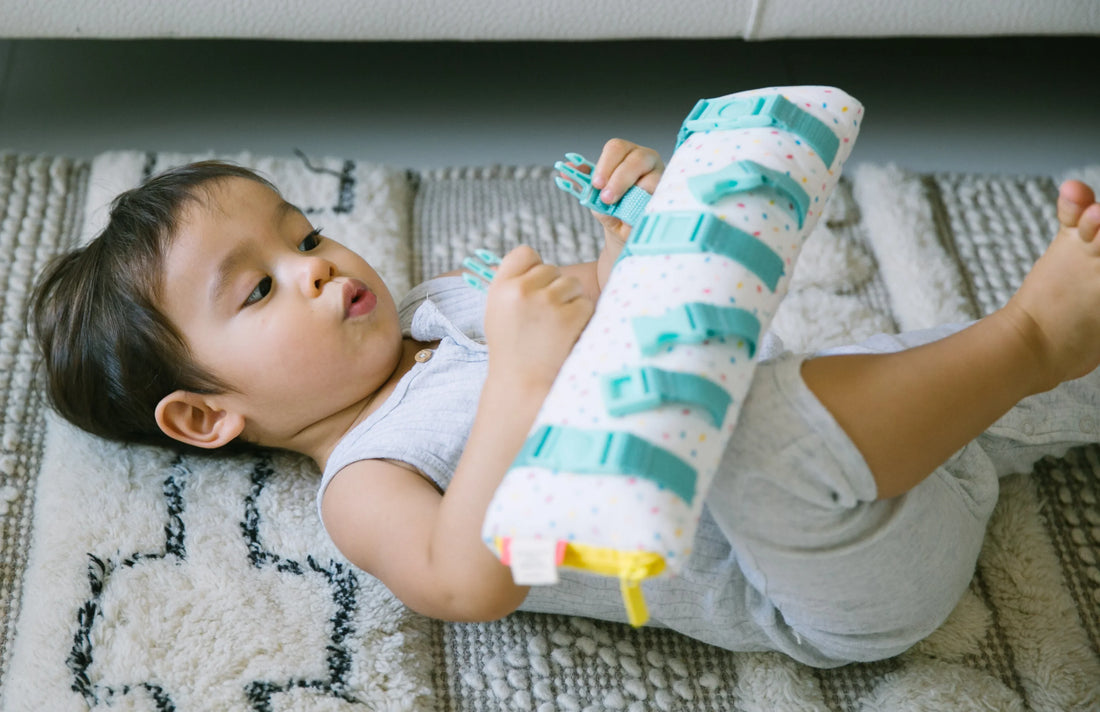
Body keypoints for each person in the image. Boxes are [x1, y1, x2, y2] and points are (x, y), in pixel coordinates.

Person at [30, 139, 1100, 668]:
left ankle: (1032, 360)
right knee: (754, 426)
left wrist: (632, 231)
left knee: (847, 363)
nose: (313, 266)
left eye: (302, 234)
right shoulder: (364, 480)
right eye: (259, 289)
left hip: (918, 448)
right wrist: (522, 374)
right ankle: (1027, 342)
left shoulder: (451, 307)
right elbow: (466, 581)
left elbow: (648, 311)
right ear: (207, 414)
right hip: (825, 571)